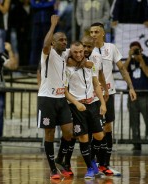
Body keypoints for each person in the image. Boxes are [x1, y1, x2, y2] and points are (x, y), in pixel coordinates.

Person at [54, 35, 108, 177]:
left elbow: (96, 84)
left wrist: (103, 103)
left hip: (92, 104)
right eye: (75, 52)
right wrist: (77, 103)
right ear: (70, 52)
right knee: (83, 138)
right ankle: (90, 167)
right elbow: (64, 90)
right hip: (75, 106)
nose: (78, 54)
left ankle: (92, 161)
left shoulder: (91, 64)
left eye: (80, 51)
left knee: (99, 135)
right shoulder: (66, 66)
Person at [90, 22, 137, 175]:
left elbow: (122, 68)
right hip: (92, 95)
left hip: (108, 93)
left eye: (97, 32)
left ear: (103, 33)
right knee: (95, 130)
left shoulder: (111, 48)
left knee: (108, 128)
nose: (94, 35)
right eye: (91, 32)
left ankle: (105, 164)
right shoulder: (87, 50)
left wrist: (130, 87)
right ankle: (94, 164)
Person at [36, 15, 73, 180]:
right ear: (53, 42)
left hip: (61, 98)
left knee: (69, 133)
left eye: (66, 40)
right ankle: (52, 169)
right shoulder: (47, 53)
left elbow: (80, 52)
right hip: (47, 99)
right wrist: (53, 25)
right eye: (61, 40)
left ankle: (59, 159)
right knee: (49, 133)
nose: (65, 42)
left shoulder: (65, 55)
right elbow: (45, 44)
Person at [124, 41, 148, 151]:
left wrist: (141, 59)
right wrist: (129, 57)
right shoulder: (129, 61)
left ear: (141, 50)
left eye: (137, 49)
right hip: (133, 95)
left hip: (145, 95)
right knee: (134, 121)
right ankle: (136, 144)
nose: (135, 52)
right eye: (133, 50)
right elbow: (123, 72)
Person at [29, 0, 56, 67]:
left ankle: (48, 66)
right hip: (36, 23)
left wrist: (40, 3)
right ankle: (33, 67)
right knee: (35, 45)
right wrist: (44, 3)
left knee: (48, 44)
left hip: (47, 23)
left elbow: (51, 3)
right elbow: (33, 4)